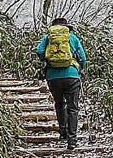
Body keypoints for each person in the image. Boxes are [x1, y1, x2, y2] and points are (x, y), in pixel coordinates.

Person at [34, 16, 87, 150]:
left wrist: (46, 60)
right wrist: (80, 68)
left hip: (53, 76)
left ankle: (62, 132)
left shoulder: (48, 38)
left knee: (59, 103)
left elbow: (39, 51)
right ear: (66, 27)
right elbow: (83, 57)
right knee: (73, 107)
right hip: (71, 76)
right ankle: (72, 140)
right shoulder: (72, 37)